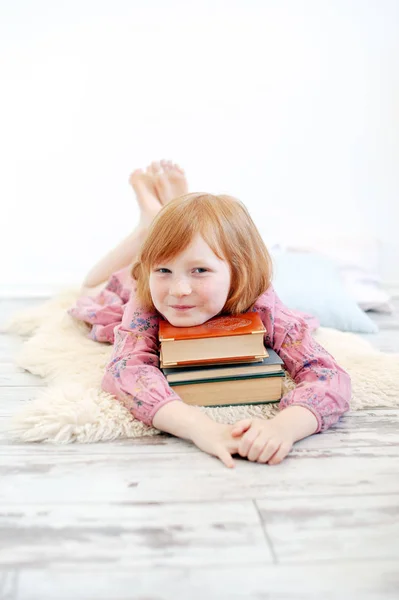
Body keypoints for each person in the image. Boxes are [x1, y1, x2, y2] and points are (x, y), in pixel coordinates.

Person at [68, 159, 351, 468]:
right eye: (163, 269)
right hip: (130, 276)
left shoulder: (261, 299)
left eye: (199, 270)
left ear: (238, 272)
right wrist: (201, 428)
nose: (178, 290)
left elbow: (328, 375)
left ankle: (166, 217)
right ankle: (147, 226)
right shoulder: (147, 292)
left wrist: (284, 427)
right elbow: (125, 370)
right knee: (90, 288)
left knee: (178, 251)